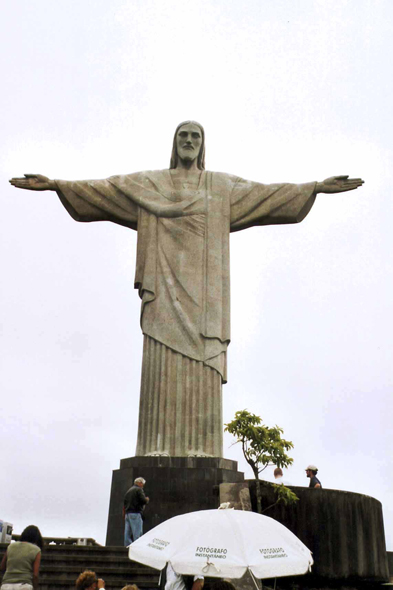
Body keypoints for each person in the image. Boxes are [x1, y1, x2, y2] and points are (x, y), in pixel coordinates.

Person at [9, 122, 364, 458]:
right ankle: (153, 447)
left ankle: (204, 450)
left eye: (196, 136)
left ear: (203, 144)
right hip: (162, 287)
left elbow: (266, 194)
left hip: (205, 294)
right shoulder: (150, 184)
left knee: (202, 360)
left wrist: (314, 187)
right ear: (175, 143)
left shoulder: (221, 187)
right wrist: (57, 184)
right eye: (184, 135)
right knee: (162, 359)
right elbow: (107, 189)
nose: (190, 141)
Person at [0, 524, 43, 590]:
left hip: (6, 585)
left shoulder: (11, 546)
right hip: (24, 585)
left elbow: (2, 567)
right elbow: (35, 575)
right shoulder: (36, 550)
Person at [123, 477, 149, 546]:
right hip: (136, 513)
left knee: (127, 534)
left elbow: (124, 503)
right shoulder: (139, 490)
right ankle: (137, 547)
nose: (143, 485)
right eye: (142, 484)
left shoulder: (128, 491)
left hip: (128, 514)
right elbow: (143, 500)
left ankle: (127, 546)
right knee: (137, 533)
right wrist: (146, 499)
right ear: (140, 483)